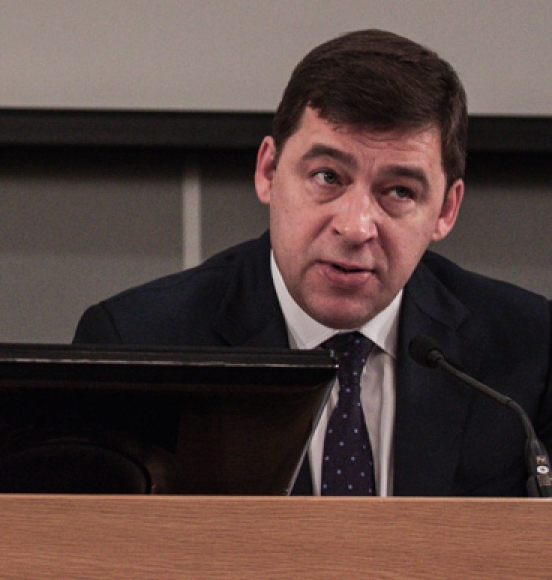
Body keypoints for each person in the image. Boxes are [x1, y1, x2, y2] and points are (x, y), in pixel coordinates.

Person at [74, 29, 551, 496]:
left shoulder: (531, 351)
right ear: (268, 172)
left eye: (400, 192)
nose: (356, 226)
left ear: (446, 210)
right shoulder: (138, 345)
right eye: (327, 177)